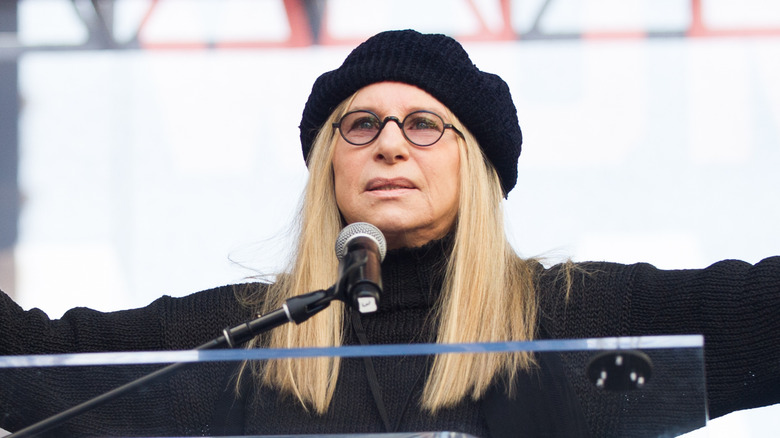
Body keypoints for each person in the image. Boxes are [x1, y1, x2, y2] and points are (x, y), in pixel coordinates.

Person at [1, 29, 779, 438]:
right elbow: (32, 366)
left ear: (476, 164)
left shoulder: (578, 317)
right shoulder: (250, 338)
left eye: (424, 124)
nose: (390, 143)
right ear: (329, 166)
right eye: (361, 123)